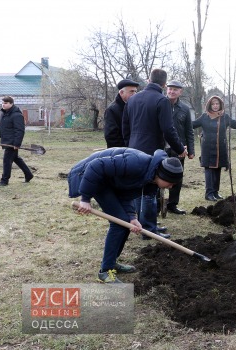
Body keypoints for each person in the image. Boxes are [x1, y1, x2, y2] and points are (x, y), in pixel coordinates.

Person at [69, 148, 183, 283]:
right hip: (90, 174)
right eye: (170, 183)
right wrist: (85, 199)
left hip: (109, 182)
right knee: (119, 223)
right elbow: (96, 166)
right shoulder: (137, 163)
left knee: (125, 223)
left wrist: (132, 217)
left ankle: (111, 262)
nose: (171, 187)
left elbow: (126, 194)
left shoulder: (151, 181)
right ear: (162, 176)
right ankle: (106, 271)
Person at [122, 68, 187, 239]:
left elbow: (125, 128)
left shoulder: (133, 99)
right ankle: (149, 230)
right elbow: (168, 129)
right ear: (164, 84)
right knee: (150, 192)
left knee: (138, 191)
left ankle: (142, 225)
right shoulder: (162, 101)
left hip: (133, 150)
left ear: (148, 79)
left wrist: (130, 146)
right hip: (152, 152)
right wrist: (180, 149)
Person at [192, 95, 236, 201]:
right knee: (209, 170)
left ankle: (215, 192)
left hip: (220, 148)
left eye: (217, 104)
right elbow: (192, 125)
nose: (215, 106)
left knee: (217, 169)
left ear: (220, 105)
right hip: (207, 148)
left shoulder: (224, 117)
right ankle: (209, 193)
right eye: (213, 104)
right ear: (209, 105)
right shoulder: (204, 117)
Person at [0, 96, 34, 186]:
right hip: (6, 141)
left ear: (11, 103)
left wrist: (17, 143)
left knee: (6, 160)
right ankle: (28, 175)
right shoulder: (4, 114)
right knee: (16, 159)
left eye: (5, 103)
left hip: (12, 142)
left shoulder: (17, 115)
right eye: (2, 103)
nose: (3, 105)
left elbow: (20, 130)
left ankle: (4, 181)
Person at [165, 80, 195, 215]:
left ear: (180, 92)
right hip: (160, 146)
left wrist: (191, 151)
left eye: (175, 90)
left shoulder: (184, 109)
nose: (172, 91)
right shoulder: (160, 104)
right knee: (156, 175)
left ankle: (172, 205)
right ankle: (156, 205)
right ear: (166, 89)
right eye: (170, 89)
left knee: (177, 176)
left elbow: (189, 130)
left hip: (179, 148)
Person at [104, 79, 139, 148]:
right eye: (131, 91)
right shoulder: (112, 110)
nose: (134, 94)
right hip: (120, 153)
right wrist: (125, 150)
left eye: (135, 91)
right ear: (121, 92)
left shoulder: (135, 107)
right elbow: (111, 136)